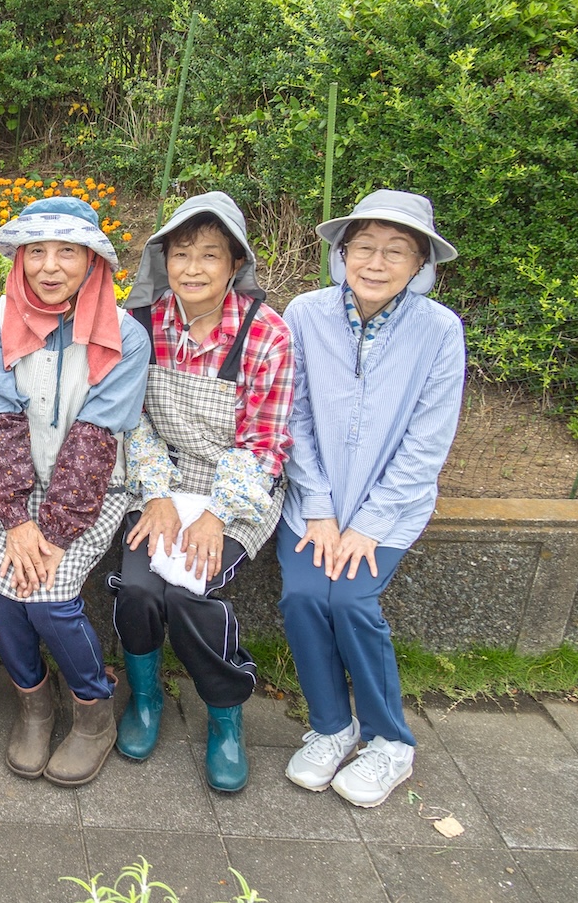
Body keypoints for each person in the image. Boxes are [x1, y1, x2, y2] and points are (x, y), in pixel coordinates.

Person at [278, 190, 464, 807]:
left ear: (420, 264)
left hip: (391, 508)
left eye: (397, 251)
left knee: (352, 599)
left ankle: (391, 741)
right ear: (342, 253)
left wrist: (371, 523)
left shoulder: (440, 331)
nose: (377, 262)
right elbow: (292, 414)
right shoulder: (304, 313)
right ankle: (333, 726)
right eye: (364, 247)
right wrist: (323, 509)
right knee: (305, 593)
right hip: (313, 500)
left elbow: (428, 440)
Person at [112, 191, 293, 793]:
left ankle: (224, 714)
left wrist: (216, 514)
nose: (192, 268)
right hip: (159, 479)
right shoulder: (140, 324)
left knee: (191, 591)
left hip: (236, 489)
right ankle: (145, 699)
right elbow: (131, 418)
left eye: (209, 255)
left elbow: (263, 443)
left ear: (235, 264)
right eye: (181, 253)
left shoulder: (267, 335)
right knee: (138, 587)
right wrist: (157, 494)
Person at [0, 198, 150, 786]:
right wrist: (18, 522)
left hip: (90, 491)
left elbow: (96, 441)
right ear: (18, 259)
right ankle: (33, 700)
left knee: (47, 595)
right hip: (11, 487)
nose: (50, 266)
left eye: (67, 252)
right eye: (36, 252)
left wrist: (51, 533)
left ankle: (93, 708)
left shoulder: (124, 335)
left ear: (93, 260)